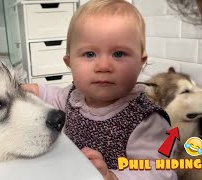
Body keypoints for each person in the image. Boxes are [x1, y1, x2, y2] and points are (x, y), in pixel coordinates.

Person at [23, 0, 177, 179]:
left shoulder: (146, 119)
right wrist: (34, 90)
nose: (103, 66)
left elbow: (160, 171)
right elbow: (55, 96)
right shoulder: (74, 96)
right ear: (69, 63)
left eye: (118, 54)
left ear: (140, 63)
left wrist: (112, 176)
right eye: (90, 54)